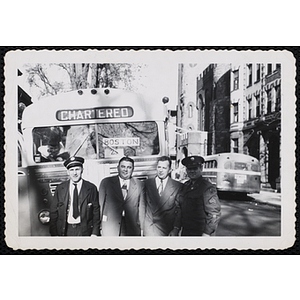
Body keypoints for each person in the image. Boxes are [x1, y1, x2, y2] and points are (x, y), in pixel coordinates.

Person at [49, 156, 100, 236]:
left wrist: (95, 232)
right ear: (68, 172)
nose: (75, 173)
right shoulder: (60, 188)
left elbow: (96, 212)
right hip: (65, 230)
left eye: (77, 169)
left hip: (85, 230)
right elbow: (53, 212)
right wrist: (54, 233)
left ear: (82, 170)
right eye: (71, 170)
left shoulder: (91, 188)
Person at [171, 155, 221, 236]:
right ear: (186, 170)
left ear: (201, 169)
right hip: (186, 231)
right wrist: (176, 228)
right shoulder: (185, 186)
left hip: (201, 232)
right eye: (189, 169)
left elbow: (214, 213)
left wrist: (207, 232)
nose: (192, 171)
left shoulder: (207, 188)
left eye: (195, 168)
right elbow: (179, 209)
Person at [99, 156, 144, 236]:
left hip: (131, 229)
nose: (125, 170)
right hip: (111, 228)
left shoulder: (139, 185)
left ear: (133, 170)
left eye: (129, 167)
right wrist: (100, 227)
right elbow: (100, 206)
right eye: (123, 166)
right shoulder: (106, 183)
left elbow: (142, 209)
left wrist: (142, 228)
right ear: (118, 168)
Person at [142, 156, 183, 236]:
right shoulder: (146, 184)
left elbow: (179, 211)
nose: (160, 170)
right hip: (149, 230)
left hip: (167, 230)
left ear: (170, 170)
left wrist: (176, 229)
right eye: (159, 167)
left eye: (164, 168)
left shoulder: (177, 186)